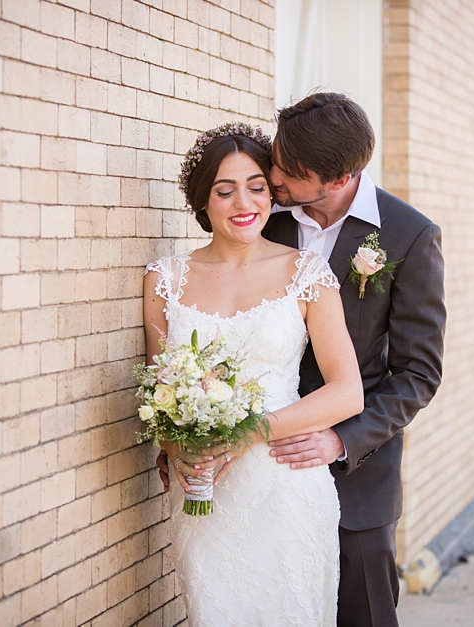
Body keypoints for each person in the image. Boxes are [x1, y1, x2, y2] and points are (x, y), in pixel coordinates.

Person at [143, 122, 363, 625]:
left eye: (257, 187)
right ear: (203, 202)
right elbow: (159, 393)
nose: (244, 201)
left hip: (286, 485)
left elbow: (348, 392)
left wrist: (250, 432)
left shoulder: (306, 273)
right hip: (205, 492)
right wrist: (178, 447)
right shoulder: (164, 280)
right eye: (225, 190)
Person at [262, 92, 446, 627]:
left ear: (338, 179)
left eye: (288, 172)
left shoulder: (409, 236)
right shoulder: (265, 217)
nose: (273, 177)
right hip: (261, 458)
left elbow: (418, 373)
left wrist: (342, 439)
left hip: (356, 472)